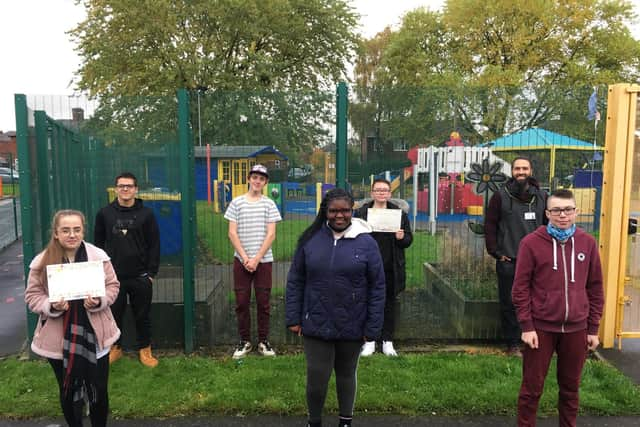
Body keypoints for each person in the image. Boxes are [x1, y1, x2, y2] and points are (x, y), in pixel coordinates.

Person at [286, 188, 385, 427]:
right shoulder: (310, 239)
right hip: (315, 322)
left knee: (346, 375)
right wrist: (293, 317)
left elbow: (378, 287)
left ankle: (345, 422)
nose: (339, 216)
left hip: (353, 323)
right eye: (333, 211)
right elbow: (295, 280)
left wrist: (372, 327)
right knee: (317, 378)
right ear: (325, 212)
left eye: (345, 211)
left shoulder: (367, 243)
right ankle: (314, 421)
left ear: (352, 211)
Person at [512, 189, 604, 426]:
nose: (563, 215)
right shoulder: (531, 243)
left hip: (577, 328)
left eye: (568, 210)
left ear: (576, 212)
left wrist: (593, 328)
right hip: (540, 329)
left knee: (571, 389)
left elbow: (595, 288)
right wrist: (527, 326)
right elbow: (520, 288)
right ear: (547, 213)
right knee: (532, 389)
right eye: (556, 210)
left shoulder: (588, 243)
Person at [25, 210, 120, 427]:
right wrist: (51, 305)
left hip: (95, 336)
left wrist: (98, 301)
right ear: (56, 233)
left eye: (77, 230)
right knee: (68, 390)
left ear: (83, 231)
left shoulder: (98, 256)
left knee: (98, 389)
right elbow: (32, 296)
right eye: (65, 230)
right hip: (60, 341)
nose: (72, 235)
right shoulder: (42, 261)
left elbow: (113, 286)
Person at [94, 172, 160, 368]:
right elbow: (97, 246)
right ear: (115, 189)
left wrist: (151, 273)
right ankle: (115, 347)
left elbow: (154, 244)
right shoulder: (104, 214)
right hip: (113, 278)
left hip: (141, 276)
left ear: (136, 189)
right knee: (114, 314)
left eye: (129, 186)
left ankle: (145, 349)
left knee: (143, 314)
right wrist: (101, 273)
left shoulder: (146, 214)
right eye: (121, 186)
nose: (125, 189)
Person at [484, 157, 547, 356]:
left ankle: (535, 340)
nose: (521, 172)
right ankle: (512, 343)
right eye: (517, 168)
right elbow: (490, 225)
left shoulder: (543, 196)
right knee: (509, 303)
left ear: (531, 170)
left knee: (538, 301)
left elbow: (550, 225)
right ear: (512, 171)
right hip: (509, 260)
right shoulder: (500, 196)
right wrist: (495, 251)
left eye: (525, 168)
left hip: (538, 262)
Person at [224, 164, 282, 358]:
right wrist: (245, 258)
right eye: (254, 177)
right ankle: (245, 341)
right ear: (249, 179)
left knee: (263, 302)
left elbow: (271, 234)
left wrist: (257, 258)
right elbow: (232, 232)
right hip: (241, 261)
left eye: (262, 178)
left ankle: (264, 342)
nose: (257, 181)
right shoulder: (237, 203)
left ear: (265, 182)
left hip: (263, 261)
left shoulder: (269, 204)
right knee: (241, 301)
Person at [355, 178, 412, 357]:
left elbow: (408, 241)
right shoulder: (362, 213)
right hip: (367, 268)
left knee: (389, 304)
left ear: (390, 194)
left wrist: (401, 237)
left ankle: (387, 341)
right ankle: (369, 340)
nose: (381, 193)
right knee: (367, 302)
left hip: (390, 268)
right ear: (372, 193)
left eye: (384, 190)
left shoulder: (399, 214)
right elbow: (352, 237)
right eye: (377, 190)